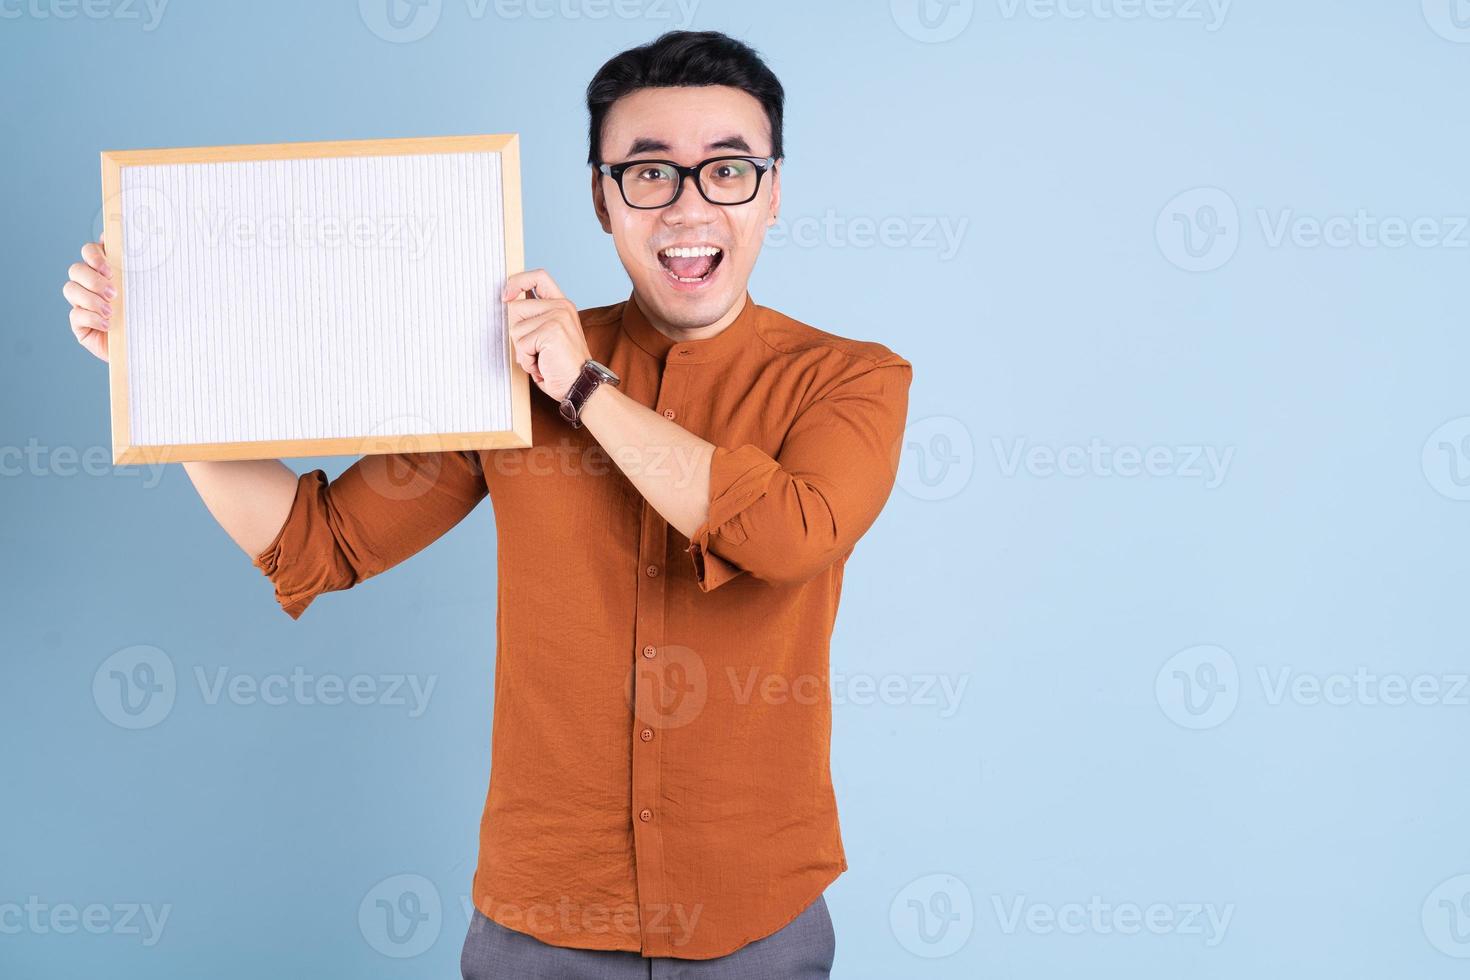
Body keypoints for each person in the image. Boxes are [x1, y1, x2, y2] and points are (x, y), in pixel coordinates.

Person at [62, 29, 912, 980]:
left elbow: (787, 535)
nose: (688, 205)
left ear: (773, 191)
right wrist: (162, 369)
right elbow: (317, 545)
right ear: (601, 197)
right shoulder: (513, 369)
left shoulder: (851, 380)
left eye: (727, 171)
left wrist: (586, 390)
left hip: (758, 925)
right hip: (538, 929)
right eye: (647, 174)